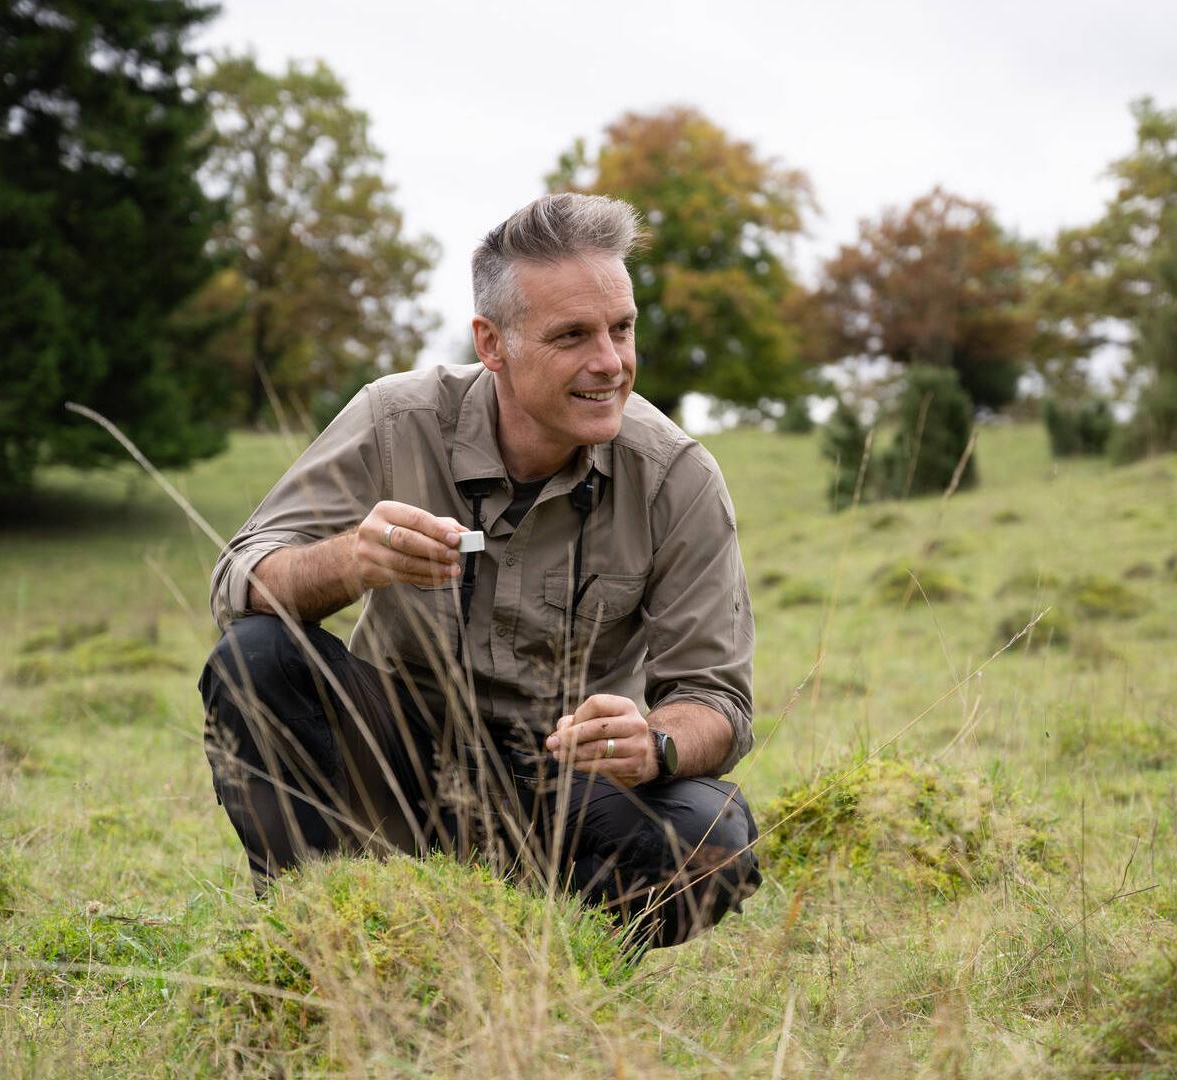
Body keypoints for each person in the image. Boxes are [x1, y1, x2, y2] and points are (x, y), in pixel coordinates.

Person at [198, 192, 761, 948]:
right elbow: (238, 579)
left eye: (622, 329)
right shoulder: (395, 419)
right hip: (401, 764)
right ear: (492, 344)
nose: (611, 362)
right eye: (573, 336)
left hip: (564, 784)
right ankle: (326, 940)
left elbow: (717, 701)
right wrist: (351, 562)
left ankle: (546, 967)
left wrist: (652, 743)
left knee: (714, 836)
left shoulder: (676, 477)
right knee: (256, 659)